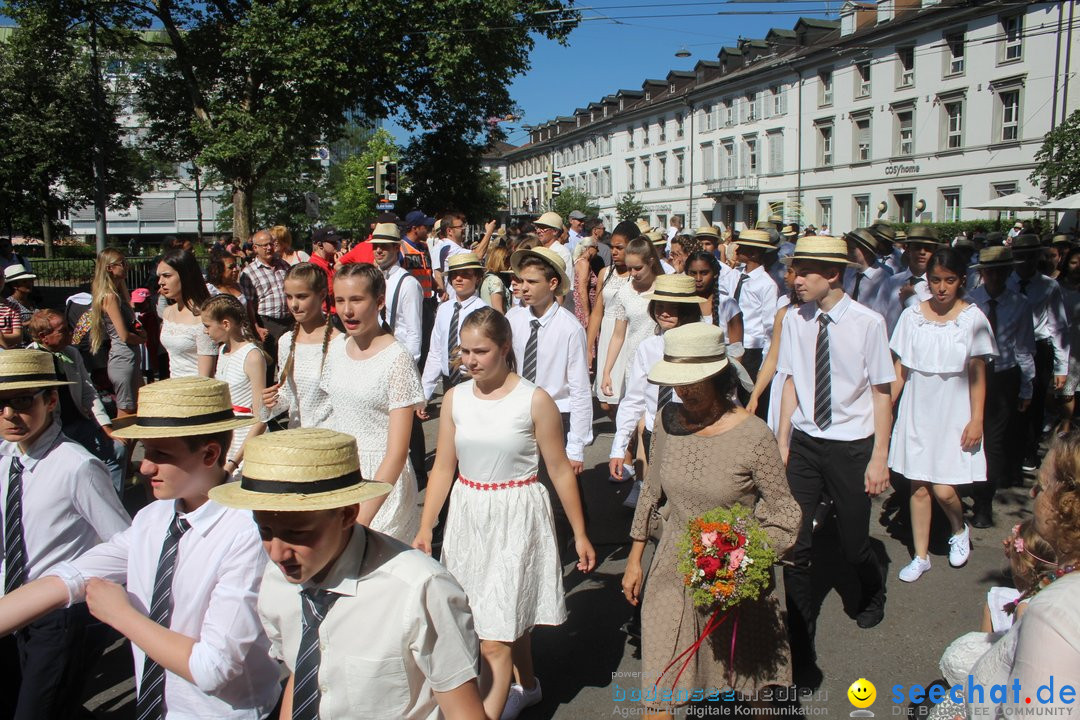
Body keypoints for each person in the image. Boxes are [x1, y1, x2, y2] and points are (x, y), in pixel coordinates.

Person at [0, 377, 283, 719]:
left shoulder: (246, 531)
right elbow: (70, 577)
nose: (145, 466)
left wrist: (120, 614)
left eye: (160, 454)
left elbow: (214, 668)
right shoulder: (154, 517)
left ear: (209, 453)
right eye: (145, 451)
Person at [211, 428, 486, 720]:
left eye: (297, 534)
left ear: (347, 515)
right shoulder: (277, 580)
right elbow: (302, 670)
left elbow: (464, 712)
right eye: (264, 531)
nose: (278, 553)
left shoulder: (420, 590)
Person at [414, 308, 596, 720]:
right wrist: (427, 526)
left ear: (505, 348)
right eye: (464, 351)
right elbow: (443, 466)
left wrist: (581, 533)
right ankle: (528, 686)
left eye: (481, 351)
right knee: (497, 618)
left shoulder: (534, 399)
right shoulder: (457, 398)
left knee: (493, 639)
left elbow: (560, 471)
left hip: (517, 516)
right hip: (468, 516)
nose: (470, 360)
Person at [621, 323, 801, 714]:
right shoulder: (667, 420)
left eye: (692, 382)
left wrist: (742, 556)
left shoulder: (754, 435)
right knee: (659, 686)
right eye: (676, 382)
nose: (682, 391)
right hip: (671, 566)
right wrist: (635, 560)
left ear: (719, 376)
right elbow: (652, 491)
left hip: (734, 574)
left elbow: (784, 512)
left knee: (749, 691)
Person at [776, 236, 896, 686]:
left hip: (852, 445)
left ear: (833, 275)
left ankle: (871, 588)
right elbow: (790, 382)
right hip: (806, 443)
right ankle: (800, 643)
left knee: (852, 545)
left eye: (805, 271)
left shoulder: (869, 323)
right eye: (794, 269)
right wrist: (783, 441)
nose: (796, 279)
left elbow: (881, 392)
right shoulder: (794, 320)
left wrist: (879, 457)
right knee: (796, 546)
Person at [0, 350, 131, 718]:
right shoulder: (7, 457)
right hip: (11, 606)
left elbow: (123, 542)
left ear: (51, 399)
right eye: (0, 404)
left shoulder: (77, 466)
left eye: (23, 401)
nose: (10, 414)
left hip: (57, 616)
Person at [889, 248, 996, 582]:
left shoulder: (973, 317)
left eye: (949, 280)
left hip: (954, 410)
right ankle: (920, 556)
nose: (941, 288)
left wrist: (976, 418)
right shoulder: (912, 316)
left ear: (961, 280)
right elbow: (901, 369)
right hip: (918, 407)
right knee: (917, 485)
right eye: (936, 280)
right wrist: (885, 408)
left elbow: (978, 373)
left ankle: (958, 527)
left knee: (944, 489)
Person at [323, 263, 424, 542]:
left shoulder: (397, 358)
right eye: (340, 300)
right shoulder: (336, 349)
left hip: (381, 484)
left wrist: (363, 517)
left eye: (356, 300)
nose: (347, 311)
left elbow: (398, 452)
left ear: (379, 301)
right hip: (340, 473)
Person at [506, 247, 593, 477]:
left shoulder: (570, 328)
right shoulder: (514, 319)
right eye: (521, 280)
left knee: (557, 492)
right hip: (517, 413)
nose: (523, 288)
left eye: (532, 282)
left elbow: (580, 389)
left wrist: (576, 446)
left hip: (555, 417)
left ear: (552, 283)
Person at [608, 274, 702, 480]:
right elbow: (634, 399)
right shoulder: (648, 347)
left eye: (674, 308)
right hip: (655, 431)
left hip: (692, 435)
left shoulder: (702, 347)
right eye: (659, 306)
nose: (665, 313)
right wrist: (619, 448)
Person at [968, 246, 1036, 527]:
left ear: (1008, 273)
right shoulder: (970, 302)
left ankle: (984, 501)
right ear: (982, 273)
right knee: (970, 435)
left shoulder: (1019, 304)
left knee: (993, 443)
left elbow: (1024, 347)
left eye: (1000, 271)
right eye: (989, 271)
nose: (994, 277)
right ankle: (965, 486)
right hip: (971, 376)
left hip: (1002, 377)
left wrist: (1027, 386)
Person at [26, 310, 126, 494]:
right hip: (52, 430)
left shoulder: (71, 352)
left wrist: (106, 427)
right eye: (63, 330)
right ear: (43, 337)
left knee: (117, 451)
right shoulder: (30, 360)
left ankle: (112, 504)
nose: (71, 333)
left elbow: (88, 391)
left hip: (79, 422)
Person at [1008, 233, 1071, 471]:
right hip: (1008, 348)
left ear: (1038, 258)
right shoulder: (1004, 282)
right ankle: (1008, 451)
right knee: (1006, 402)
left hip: (1037, 348)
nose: (1024, 261)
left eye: (1030, 256)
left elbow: (1058, 327)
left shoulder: (1048, 286)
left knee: (1033, 404)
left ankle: (1029, 450)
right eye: (1019, 256)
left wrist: (1061, 367)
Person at [201, 295, 269, 478]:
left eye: (207, 326)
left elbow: (261, 416)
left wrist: (234, 462)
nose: (205, 331)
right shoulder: (223, 351)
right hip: (226, 433)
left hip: (244, 438)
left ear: (225, 324)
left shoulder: (252, 356)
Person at [263, 263, 337, 429]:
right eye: (289, 297)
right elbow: (287, 395)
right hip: (298, 438)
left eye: (302, 296)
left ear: (322, 294)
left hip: (331, 439)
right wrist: (271, 402)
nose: (294, 305)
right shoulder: (286, 341)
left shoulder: (339, 342)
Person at [420, 253, 488, 406]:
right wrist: (425, 393)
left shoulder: (484, 311)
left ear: (477, 278)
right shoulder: (444, 309)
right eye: (454, 275)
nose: (458, 279)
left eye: (465, 275)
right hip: (448, 381)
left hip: (473, 380)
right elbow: (436, 351)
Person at [600, 237, 663, 403]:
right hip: (635, 362)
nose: (633, 274)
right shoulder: (625, 292)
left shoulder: (664, 287)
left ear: (650, 262)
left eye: (638, 268)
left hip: (662, 359)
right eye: (630, 268)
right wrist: (607, 371)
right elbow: (618, 335)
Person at [89, 249, 144, 418]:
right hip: (123, 360)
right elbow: (124, 335)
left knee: (140, 409)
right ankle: (120, 445)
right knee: (127, 413)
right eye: (122, 264)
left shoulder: (117, 293)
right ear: (109, 268)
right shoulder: (110, 297)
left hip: (129, 358)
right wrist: (143, 338)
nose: (127, 267)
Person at [587, 221, 634, 410]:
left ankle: (629, 436)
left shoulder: (639, 274)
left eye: (619, 248)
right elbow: (597, 313)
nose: (614, 252)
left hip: (628, 334)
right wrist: (589, 347)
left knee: (623, 395)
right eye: (612, 247)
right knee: (605, 402)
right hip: (607, 335)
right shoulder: (605, 273)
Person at [726, 229, 782, 380]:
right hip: (733, 344)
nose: (737, 250)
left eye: (742, 248)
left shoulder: (766, 284)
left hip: (752, 349)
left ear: (753, 254)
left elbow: (769, 326)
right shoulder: (737, 275)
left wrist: (765, 364)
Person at [158, 249, 216, 378]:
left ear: (185, 275)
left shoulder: (204, 316)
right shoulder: (167, 312)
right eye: (160, 276)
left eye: (167, 276)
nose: (160, 282)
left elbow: (206, 376)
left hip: (197, 391)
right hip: (174, 388)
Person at [371, 222, 424, 364]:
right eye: (375, 246)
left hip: (397, 358)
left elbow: (414, 333)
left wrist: (408, 366)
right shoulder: (373, 278)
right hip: (375, 355)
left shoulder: (408, 284)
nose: (378, 250)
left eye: (384, 246)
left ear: (396, 248)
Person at [239, 229, 291, 365]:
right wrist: (256, 327)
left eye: (271, 244)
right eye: (265, 245)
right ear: (255, 248)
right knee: (269, 364)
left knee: (288, 363)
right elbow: (249, 303)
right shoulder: (249, 273)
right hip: (267, 323)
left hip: (288, 320)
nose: (269, 248)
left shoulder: (284, 266)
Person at [881, 225, 944, 334]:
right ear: (908, 249)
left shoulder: (939, 287)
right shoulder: (892, 282)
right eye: (917, 247)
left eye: (928, 248)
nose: (922, 252)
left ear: (935, 252)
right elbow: (879, 316)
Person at [686, 250, 744, 357]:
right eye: (693, 273)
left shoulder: (727, 304)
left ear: (715, 274)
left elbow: (737, 352)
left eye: (704, 273)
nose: (698, 279)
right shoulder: (682, 304)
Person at [842, 228, 894, 319]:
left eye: (852, 249)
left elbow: (881, 312)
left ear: (866, 251)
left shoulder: (884, 278)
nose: (848, 252)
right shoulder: (848, 271)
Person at [308, 226, 343, 314]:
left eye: (336, 241)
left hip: (333, 312)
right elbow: (332, 291)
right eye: (332, 242)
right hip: (327, 314)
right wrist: (340, 270)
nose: (336, 244)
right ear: (320, 245)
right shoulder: (315, 266)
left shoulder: (329, 262)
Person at [572, 236, 599, 328]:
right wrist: (587, 315)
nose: (598, 251)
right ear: (589, 248)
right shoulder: (584, 264)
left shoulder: (579, 262)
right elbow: (582, 289)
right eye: (596, 248)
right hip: (584, 308)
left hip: (582, 307)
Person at [4, 264, 36, 329]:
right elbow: (8, 326)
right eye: (24, 281)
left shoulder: (31, 301)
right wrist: (31, 322)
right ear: (14, 285)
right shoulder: (9, 304)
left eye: (30, 280)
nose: (30, 283)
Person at [481, 244, 510, 314]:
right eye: (508, 260)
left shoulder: (486, 277)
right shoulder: (496, 281)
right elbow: (498, 310)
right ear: (503, 260)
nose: (510, 264)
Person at [0, 269, 23, 349]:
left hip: (10, 355)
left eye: (0, 277)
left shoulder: (13, 307)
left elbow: (18, 337)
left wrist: (1, 337)